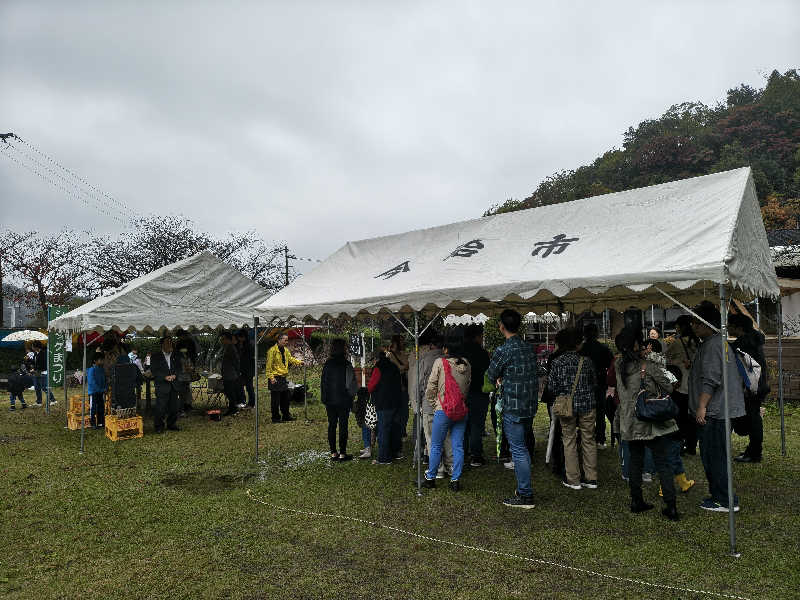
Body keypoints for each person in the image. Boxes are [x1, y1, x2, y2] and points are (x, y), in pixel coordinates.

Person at [615, 328, 680, 520]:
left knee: (635, 462)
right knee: (663, 462)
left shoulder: (619, 365)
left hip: (629, 421)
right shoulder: (647, 366)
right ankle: (671, 505)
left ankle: (636, 500)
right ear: (635, 345)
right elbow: (668, 385)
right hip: (649, 420)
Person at [689, 301, 746, 512]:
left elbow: (711, 379)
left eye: (696, 322)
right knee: (716, 454)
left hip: (715, 411)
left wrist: (701, 406)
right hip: (720, 409)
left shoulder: (713, 345)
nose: (693, 326)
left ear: (705, 323)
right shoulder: (717, 342)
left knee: (714, 455)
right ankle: (720, 495)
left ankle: (723, 499)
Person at [487, 309, 538, 509]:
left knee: (518, 450)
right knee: (522, 447)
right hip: (529, 405)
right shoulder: (529, 348)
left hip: (513, 406)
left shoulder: (503, 350)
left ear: (501, 326)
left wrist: (500, 379)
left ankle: (525, 495)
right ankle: (524, 491)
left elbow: (491, 375)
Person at [548, 328, 598, 490]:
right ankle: (591, 478)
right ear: (576, 344)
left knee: (568, 440)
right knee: (588, 440)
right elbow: (594, 383)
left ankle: (573, 479)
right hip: (587, 404)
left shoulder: (557, 362)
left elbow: (552, 387)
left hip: (566, 406)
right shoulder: (587, 361)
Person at [422, 342, 471, 491]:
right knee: (457, 445)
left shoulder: (440, 362)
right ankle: (455, 480)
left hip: (443, 410)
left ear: (446, 349)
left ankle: (431, 478)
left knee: (436, 445)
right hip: (461, 410)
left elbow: (431, 386)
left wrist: (436, 403)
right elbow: (468, 386)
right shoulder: (467, 364)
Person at [728, 312, 768, 463]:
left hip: (751, 387)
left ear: (738, 327)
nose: (727, 328)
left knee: (752, 420)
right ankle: (753, 451)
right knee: (754, 418)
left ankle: (754, 453)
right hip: (758, 385)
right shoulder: (753, 340)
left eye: (730, 325)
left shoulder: (744, 344)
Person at [414, 332, 450, 477]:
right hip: (447, 404)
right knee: (447, 437)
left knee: (431, 438)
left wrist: (418, 401)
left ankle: (438, 468)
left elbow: (419, 383)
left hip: (429, 404)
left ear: (430, 345)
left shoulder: (425, 359)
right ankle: (450, 466)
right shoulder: (448, 359)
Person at [665, 315, 700, 455]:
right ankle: (692, 446)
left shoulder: (677, 342)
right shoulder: (697, 342)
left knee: (679, 418)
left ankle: (679, 446)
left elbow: (665, 358)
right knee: (692, 418)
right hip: (694, 386)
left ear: (681, 327)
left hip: (680, 386)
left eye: (677, 327)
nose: (676, 329)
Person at [321, 338, 357, 461]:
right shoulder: (347, 364)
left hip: (329, 400)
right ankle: (342, 453)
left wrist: (324, 398)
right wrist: (352, 397)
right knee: (343, 426)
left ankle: (333, 452)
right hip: (344, 400)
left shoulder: (327, 364)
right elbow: (351, 385)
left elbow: (323, 383)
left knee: (331, 425)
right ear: (344, 349)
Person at [580, 323, 614, 449]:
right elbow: (611, 363)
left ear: (584, 334)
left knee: (585, 412)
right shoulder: (603, 348)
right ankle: (600, 439)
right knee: (600, 412)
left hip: (584, 384)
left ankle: (587, 438)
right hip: (600, 382)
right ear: (597, 333)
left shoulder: (581, 349)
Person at [367, 350, 404, 465]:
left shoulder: (378, 368)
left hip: (383, 403)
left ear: (376, 359)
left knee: (383, 429)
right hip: (396, 401)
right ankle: (395, 452)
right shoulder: (394, 366)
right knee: (394, 427)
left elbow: (371, 386)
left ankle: (384, 458)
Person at [462, 324, 491, 466]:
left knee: (463, 424)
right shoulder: (482, 353)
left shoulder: (460, 352)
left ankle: (463, 451)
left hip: (462, 393)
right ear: (477, 336)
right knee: (477, 425)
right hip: (479, 392)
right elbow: (489, 372)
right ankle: (476, 456)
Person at [266, 333, 303, 422]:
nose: (286, 342)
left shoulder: (286, 350)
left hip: (283, 378)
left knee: (285, 398)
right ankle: (275, 418)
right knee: (275, 400)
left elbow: (290, 359)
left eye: (287, 340)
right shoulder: (272, 351)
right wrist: (271, 378)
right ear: (279, 340)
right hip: (275, 377)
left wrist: (299, 362)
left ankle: (286, 415)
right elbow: (268, 366)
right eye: (285, 340)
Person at [150, 336, 183, 433]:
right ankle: (159, 426)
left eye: (171, 343)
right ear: (162, 345)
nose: (170, 344)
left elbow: (180, 368)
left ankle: (171, 424)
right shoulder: (155, 356)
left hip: (174, 384)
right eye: (167, 343)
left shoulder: (176, 355)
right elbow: (154, 370)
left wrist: (175, 375)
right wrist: (164, 377)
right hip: (162, 385)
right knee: (160, 407)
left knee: (174, 407)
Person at [385, 334, 409, 436]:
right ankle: (396, 431)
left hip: (404, 386)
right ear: (396, 343)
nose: (403, 343)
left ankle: (402, 430)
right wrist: (404, 367)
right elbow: (398, 368)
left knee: (405, 411)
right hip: (395, 387)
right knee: (397, 411)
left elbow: (405, 366)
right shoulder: (389, 355)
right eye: (401, 341)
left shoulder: (403, 354)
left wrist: (403, 367)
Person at [220, 332, 241, 417]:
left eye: (223, 339)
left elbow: (236, 361)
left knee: (230, 392)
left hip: (230, 374)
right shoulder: (227, 347)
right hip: (228, 373)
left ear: (228, 339)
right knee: (229, 392)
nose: (222, 340)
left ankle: (233, 408)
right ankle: (232, 408)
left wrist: (236, 371)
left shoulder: (231, 348)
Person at [30, 341, 55, 406]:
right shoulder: (35, 353)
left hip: (42, 373)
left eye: (33, 346)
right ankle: (39, 401)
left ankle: (53, 400)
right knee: (37, 387)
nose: (32, 347)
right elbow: (35, 362)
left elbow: (43, 365)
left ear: (37, 347)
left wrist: (34, 368)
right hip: (36, 373)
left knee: (44, 387)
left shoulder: (43, 353)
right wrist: (30, 362)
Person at [236, 329, 256, 408]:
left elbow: (247, 358)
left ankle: (252, 403)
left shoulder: (249, 344)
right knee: (240, 386)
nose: (238, 339)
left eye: (239, 337)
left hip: (248, 370)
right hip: (242, 369)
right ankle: (242, 401)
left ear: (243, 337)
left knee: (249, 387)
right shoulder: (239, 344)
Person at [87, 352, 107, 429]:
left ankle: (100, 422)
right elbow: (92, 382)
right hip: (93, 392)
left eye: (103, 360)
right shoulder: (91, 370)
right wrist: (100, 389)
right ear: (95, 361)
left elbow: (104, 380)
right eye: (100, 360)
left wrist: (104, 388)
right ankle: (92, 423)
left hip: (101, 392)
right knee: (93, 408)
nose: (102, 361)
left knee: (101, 407)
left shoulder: (101, 369)